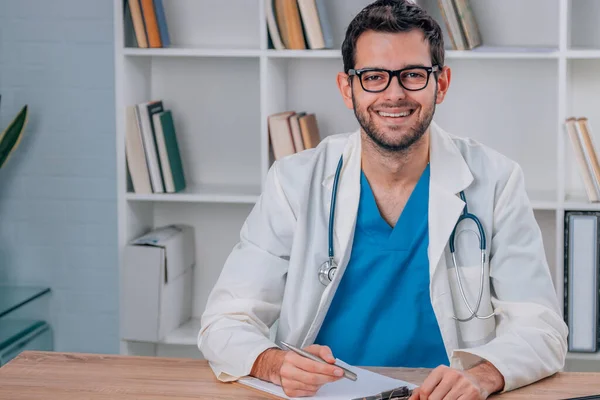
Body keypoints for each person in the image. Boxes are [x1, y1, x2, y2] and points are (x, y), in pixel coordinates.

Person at [198, 0, 568, 398]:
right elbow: (224, 321)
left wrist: (486, 373)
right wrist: (273, 363)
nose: (394, 94)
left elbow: (542, 328)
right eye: (374, 76)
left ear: (440, 84)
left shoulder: (495, 182)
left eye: (412, 75)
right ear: (348, 88)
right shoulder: (293, 182)